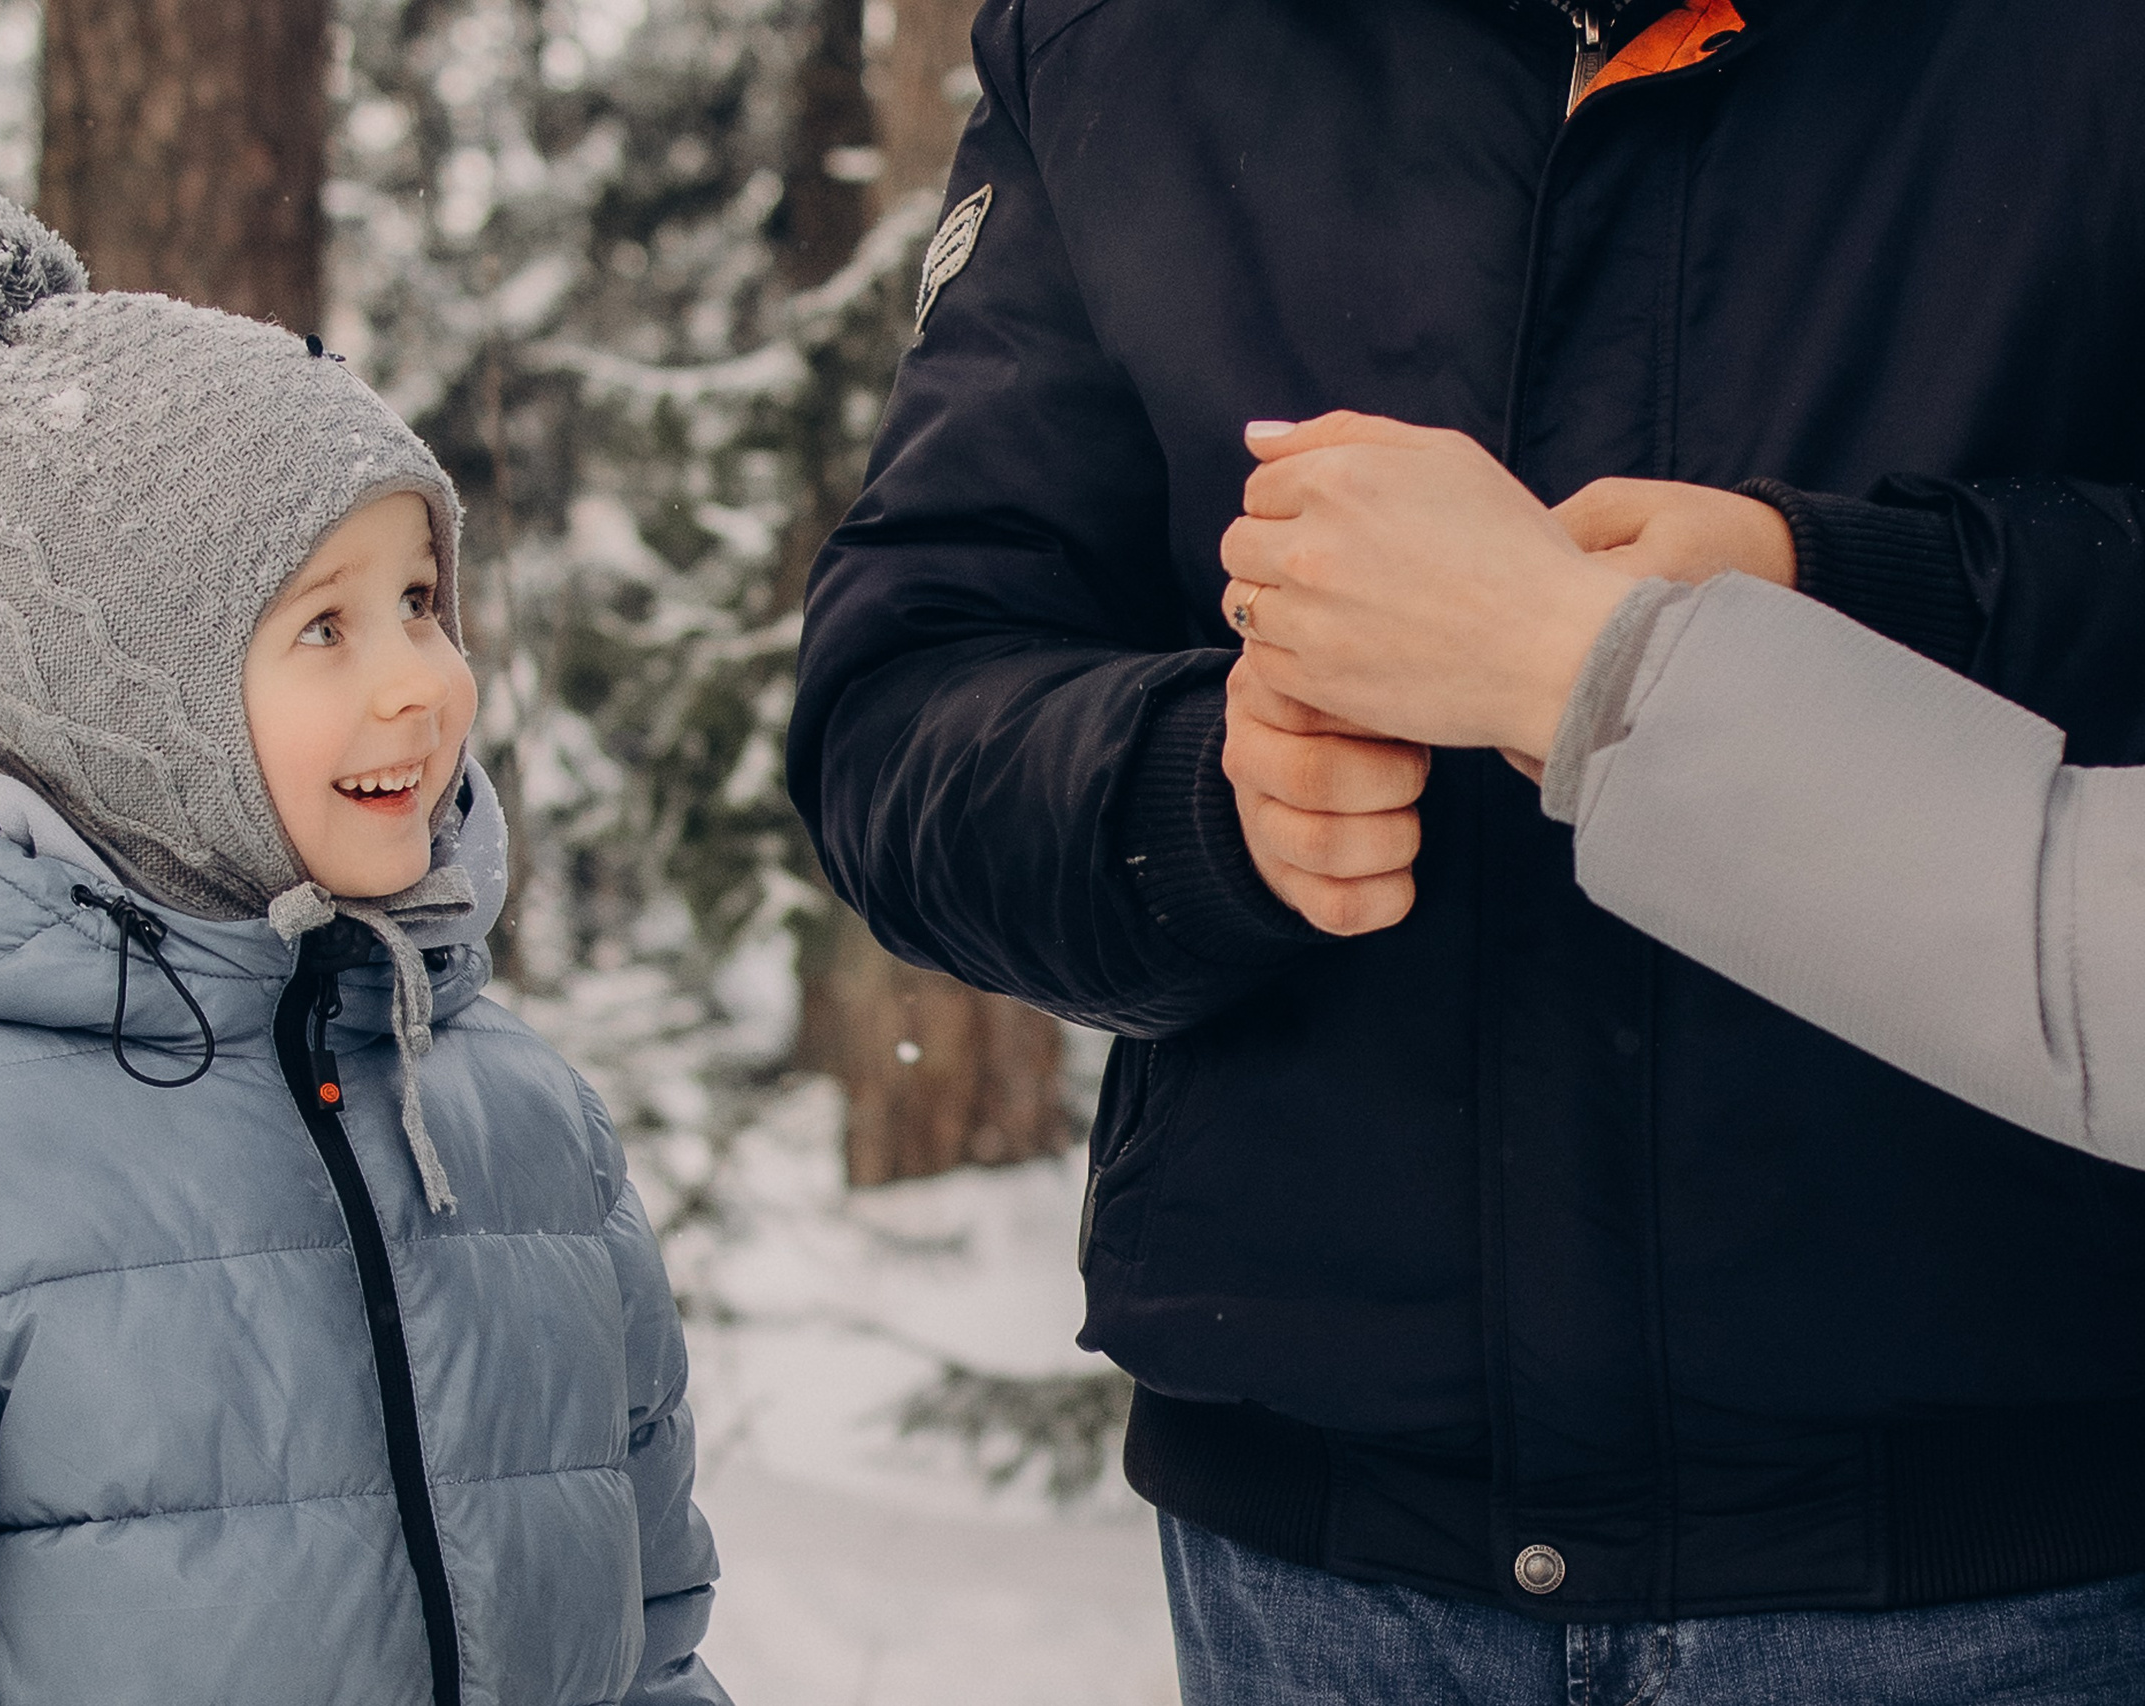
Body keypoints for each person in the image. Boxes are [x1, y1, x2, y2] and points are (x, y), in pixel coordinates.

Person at [787, 0, 2145, 1700]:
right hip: (1327, 1560)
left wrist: (1853, 589)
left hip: (1999, 1546)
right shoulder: (1125, 41)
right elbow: (906, 696)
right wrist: (1195, 793)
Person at [0, 192, 727, 1706]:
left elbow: (650, 1639)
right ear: (139, 705)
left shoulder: (525, 1127)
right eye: (324, 627)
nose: (420, 684)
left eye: (419, 600)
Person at [1215, 414, 2145, 1165]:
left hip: (1966, 1302)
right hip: (1309, 1315)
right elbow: (1071, 664)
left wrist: (1578, 657)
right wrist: (1207, 795)